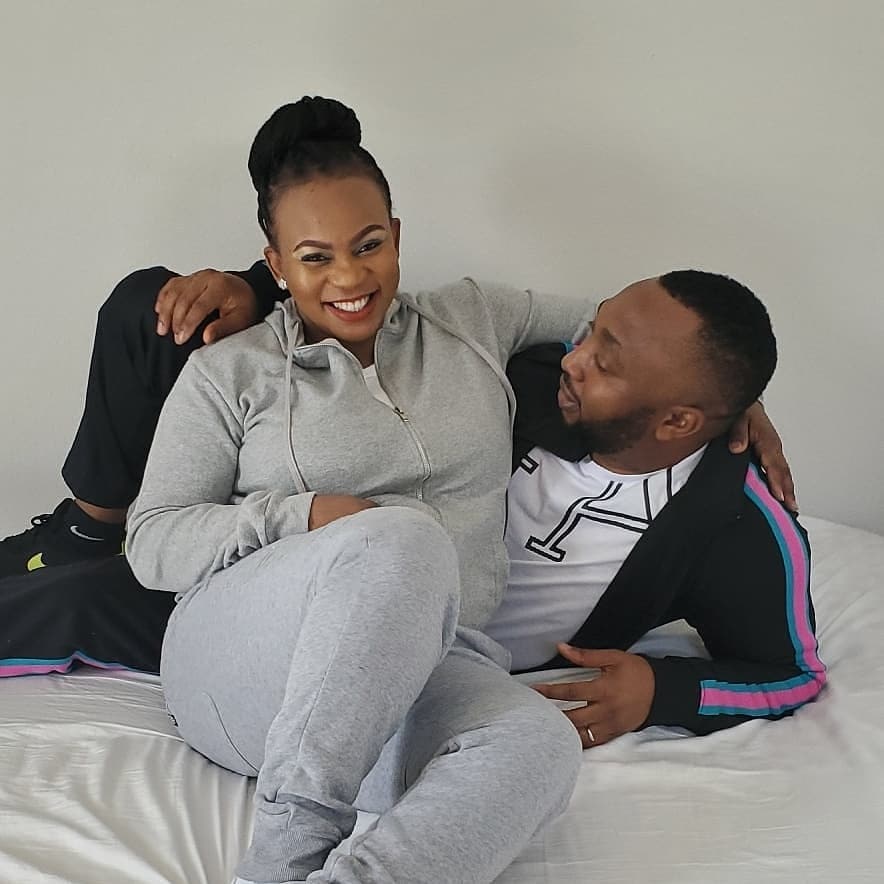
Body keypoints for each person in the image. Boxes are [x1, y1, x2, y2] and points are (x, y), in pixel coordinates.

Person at [125, 95, 605, 884]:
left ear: (397, 236)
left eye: (370, 245)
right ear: (276, 266)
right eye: (315, 258)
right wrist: (302, 515)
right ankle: (282, 858)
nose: (350, 278)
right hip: (245, 664)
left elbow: (619, 325)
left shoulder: (473, 319)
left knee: (539, 744)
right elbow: (152, 542)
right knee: (403, 535)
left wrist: (736, 395)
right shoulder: (230, 372)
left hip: (427, 663)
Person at [487, 270, 825, 748]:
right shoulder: (526, 375)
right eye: (591, 333)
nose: (573, 360)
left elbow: (794, 676)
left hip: (471, 674)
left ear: (678, 421)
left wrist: (661, 691)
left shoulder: (736, 524)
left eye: (605, 365)